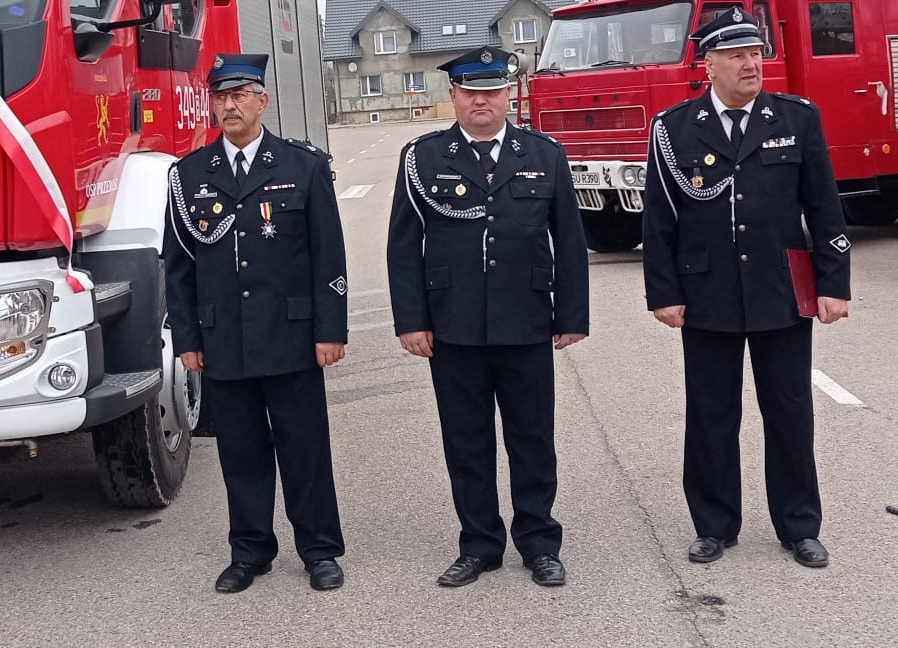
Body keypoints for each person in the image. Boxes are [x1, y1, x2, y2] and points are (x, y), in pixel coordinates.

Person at [641, 8, 852, 569]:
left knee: (789, 411)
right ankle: (713, 525)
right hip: (706, 292)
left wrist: (834, 284)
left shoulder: (797, 118)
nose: (750, 63)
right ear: (708, 64)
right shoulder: (674, 129)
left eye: (756, 53)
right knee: (710, 413)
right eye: (735, 55)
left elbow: (823, 208)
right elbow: (659, 221)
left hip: (779, 291)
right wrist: (663, 291)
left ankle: (799, 525)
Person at [386, 45, 590, 588]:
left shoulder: (544, 154)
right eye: (471, 91)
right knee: (466, 440)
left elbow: (569, 242)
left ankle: (539, 542)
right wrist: (411, 320)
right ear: (453, 95)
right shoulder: (422, 159)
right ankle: (479, 544)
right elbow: (403, 248)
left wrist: (571, 314)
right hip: (452, 326)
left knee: (532, 439)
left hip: (525, 320)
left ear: (509, 95)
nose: (482, 99)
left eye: (493, 90)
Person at [163, 52, 350, 594]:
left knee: (304, 447)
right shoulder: (189, 175)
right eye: (220, 97)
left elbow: (328, 258)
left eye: (240, 95)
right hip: (226, 342)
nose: (229, 106)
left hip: (292, 337)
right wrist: (187, 339)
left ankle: (318, 550)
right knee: (240, 453)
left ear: (262, 101)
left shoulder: (303, 167)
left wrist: (330, 330)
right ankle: (249, 552)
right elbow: (179, 269)